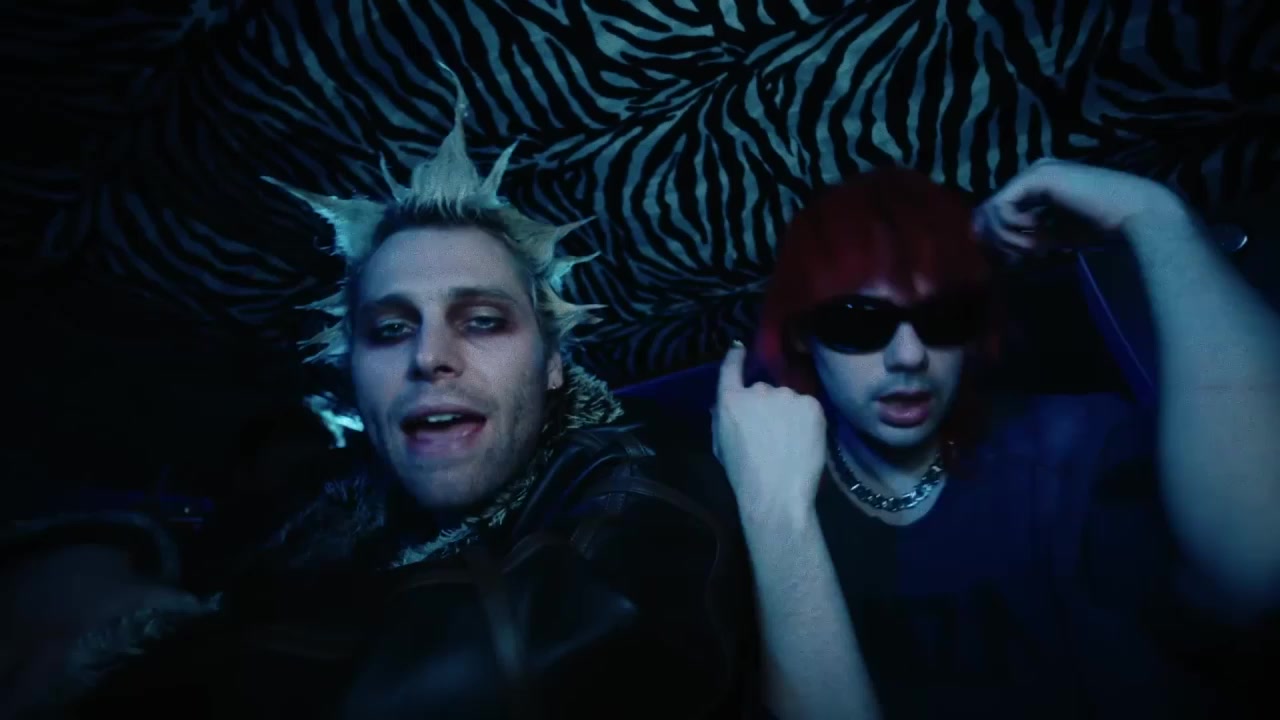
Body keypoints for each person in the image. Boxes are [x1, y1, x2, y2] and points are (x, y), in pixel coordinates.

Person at [7, 72, 752, 719]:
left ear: (553, 365)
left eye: (482, 320)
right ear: (353, 373)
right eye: (391, 329)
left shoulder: (633, 479)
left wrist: (127, 651)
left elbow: (581, 643)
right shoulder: (334, 501)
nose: (428, 357)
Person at [712, 161, 1280, 719]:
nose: (909, 356)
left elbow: (1257, 565)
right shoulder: (747, 501)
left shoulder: (1066, 446)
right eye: (858, 321)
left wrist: (1154, 217)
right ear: (803, 335)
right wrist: (777, 510)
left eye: (945, 316)